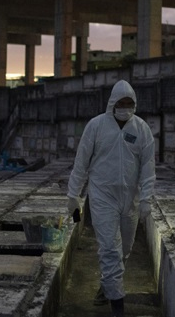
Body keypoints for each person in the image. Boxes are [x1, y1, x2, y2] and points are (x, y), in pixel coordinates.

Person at [67, 80, 156, 317]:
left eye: (129, 103)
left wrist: (147, 197)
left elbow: (147, 165)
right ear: (112, 103)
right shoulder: (96, 126)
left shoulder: (141, 129)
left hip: (130, 199)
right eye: (121, 103)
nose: (125, 107)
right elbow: (81, 163)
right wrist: (73, 195)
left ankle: (107, 287)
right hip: (102, 196)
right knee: (109, 249)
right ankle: (118, 307)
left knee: (124, 249)